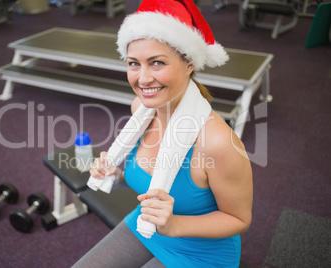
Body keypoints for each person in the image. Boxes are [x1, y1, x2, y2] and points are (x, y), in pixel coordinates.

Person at [73, 0, 253, 267]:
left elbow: (239, 220)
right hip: (147, 226)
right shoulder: (141, 110)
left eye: (157, 63)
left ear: (189, 63)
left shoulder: (217, 142)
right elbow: (145, 180)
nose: (143, 79)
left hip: (202, 251)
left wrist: (174, 224)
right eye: (134, 63)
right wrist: (117, 175)